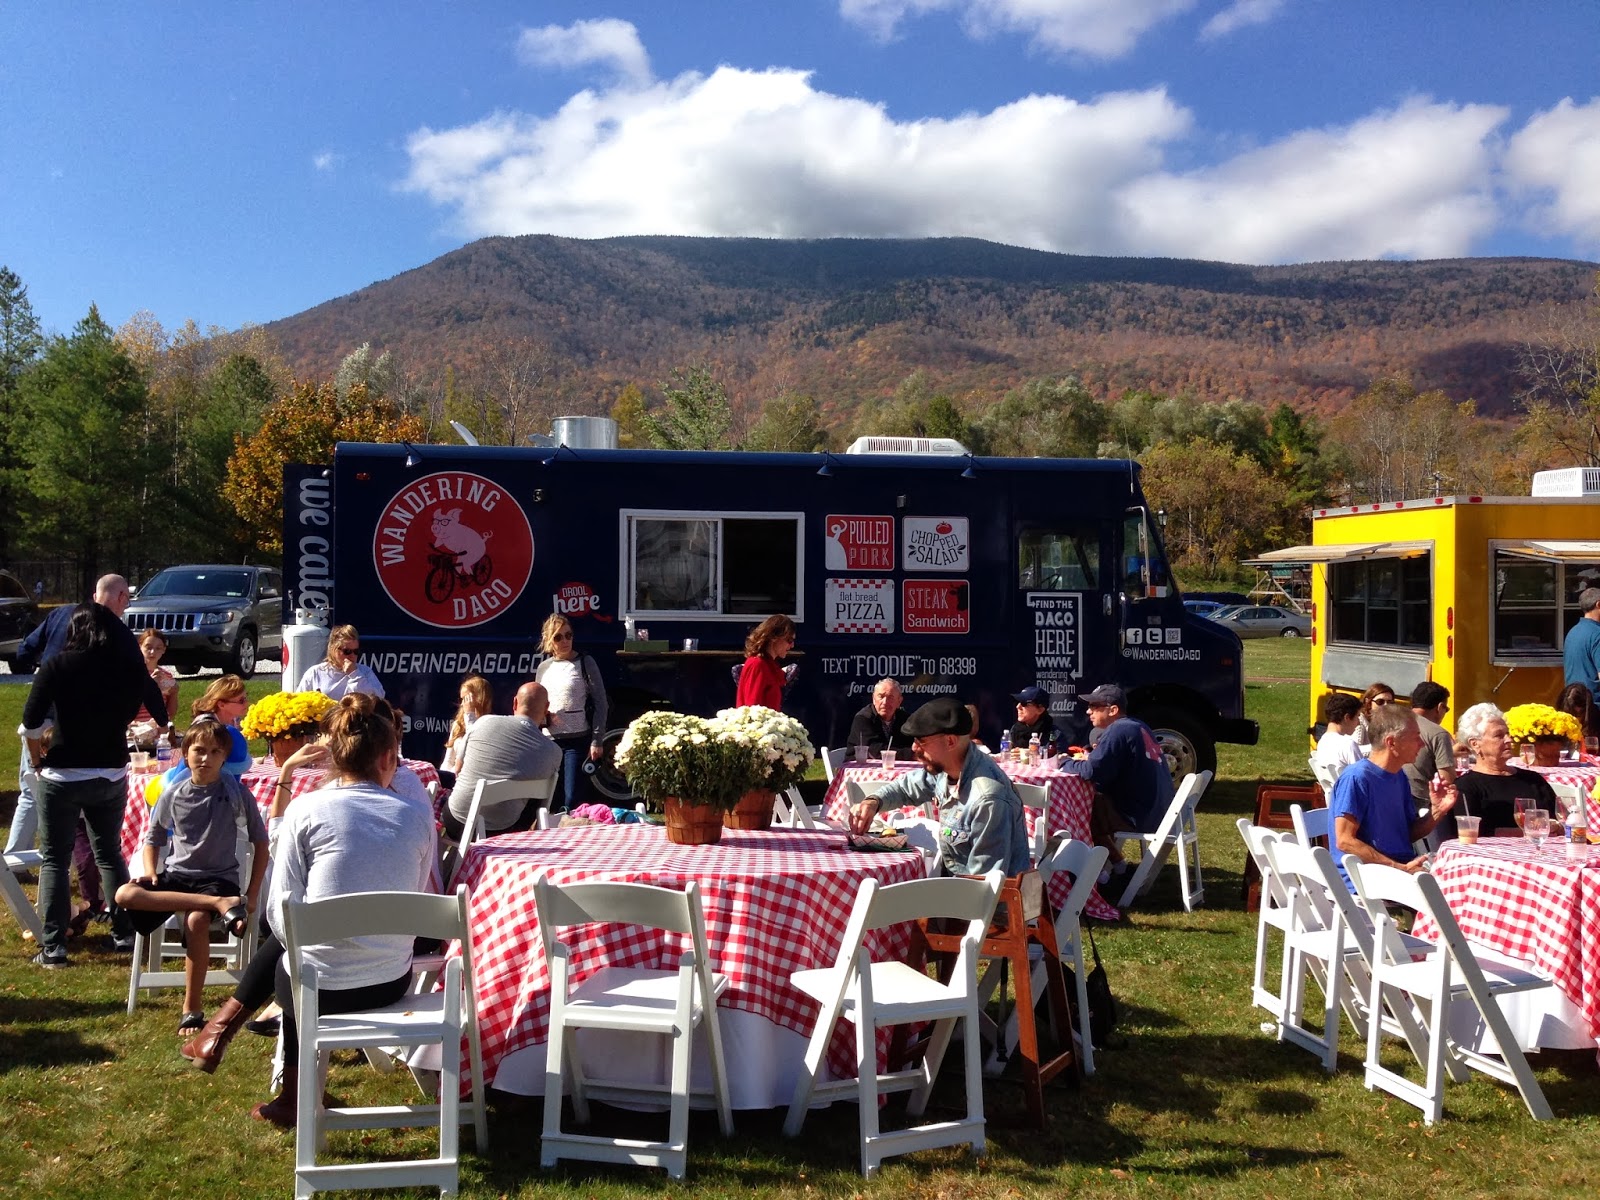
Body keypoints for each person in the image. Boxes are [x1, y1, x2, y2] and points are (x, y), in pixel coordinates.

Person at [239, 694, 436, 1126]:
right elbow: (416, 893)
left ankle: (293, 1095)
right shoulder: (416, 816)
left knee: (292, 968)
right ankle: (294, 1094)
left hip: (318, 988)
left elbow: (279, 913)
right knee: (298, 966)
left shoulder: (304, 810)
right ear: (389, 758)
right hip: (391, 980)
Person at [20, 603, 157, 966]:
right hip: (110, 769)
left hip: (64, 771)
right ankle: (124, 933)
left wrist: (37, 760)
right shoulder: (125, 667)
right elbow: (139, 710)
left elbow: (31, 721)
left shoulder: (57, 665)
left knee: (55, 858)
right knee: (109, 853)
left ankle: (54, 946)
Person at [113, 722, 269, 1034]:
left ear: (224, 757)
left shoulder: (237, 793)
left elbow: (261, 844)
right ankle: (220, 905)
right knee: (124, 895)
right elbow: (153, 838)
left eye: (215, 752)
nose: (205, 758)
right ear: (186, 754)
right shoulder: (173, 793)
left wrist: (252, 894)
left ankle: (191, 1009)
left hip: (219, 878)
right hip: (179, 876)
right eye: (199, 750)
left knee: (196, 921)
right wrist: (150, 871)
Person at [9, 574, 170, 858]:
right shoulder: (119, 632)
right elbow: (142, 682)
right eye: (127, 601)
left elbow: (26, 650)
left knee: (32, 790)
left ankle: (17, 856)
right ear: (121, 597)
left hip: (44, 715)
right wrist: (160, 720)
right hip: (91, 729)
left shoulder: (60, 615)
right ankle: (73, 857)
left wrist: (44, 668)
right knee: (97, 831)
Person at [846, 697, 1030, 877]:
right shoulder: (947, 767)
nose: (914, 748)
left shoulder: (988, 799)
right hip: (957, 888)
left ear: (950, 741)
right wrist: (873, 802)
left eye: (921, 741)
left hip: (981, 895)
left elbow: (985, 886)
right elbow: (905, 788)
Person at [1330, 702, 1456, 890]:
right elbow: (1345, 841)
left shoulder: (1398, 776)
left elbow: (1407, 834)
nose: (1422, 744)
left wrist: (1437, 811)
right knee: (1452, 895)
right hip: (1366, 880)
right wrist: (1399, 868)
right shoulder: (1357, 778)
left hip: (1397, 870)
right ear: (1392, 742)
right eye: (1416, 738)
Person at [1058, 684, 1173, 872]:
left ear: (1113, 710)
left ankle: (1092, 872)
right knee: (1094, 801)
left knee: (1078, 808)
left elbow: (1091, 772)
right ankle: (1112, 865)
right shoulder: (1137, 725)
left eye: (1094, 706)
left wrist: (1063, 762)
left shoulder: (1118, 730)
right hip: (1159, 811)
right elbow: (1106, 769)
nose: (1088, 711)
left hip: (1139, 816)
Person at [442, 681, 560, 840]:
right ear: (546, 708)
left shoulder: (483, 722)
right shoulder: (554, 752)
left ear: (515, 702)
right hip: (505, 832)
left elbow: (458, 769)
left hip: (458, 823)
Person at [535, 614, 610, 812]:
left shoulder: (585, 662)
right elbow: (538, 703)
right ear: (549, 640)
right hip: (549, 742)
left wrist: (597, 740)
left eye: (569, 635)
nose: (565, 641)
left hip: (576, 741)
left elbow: (601, 703)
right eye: (558, 637)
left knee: (571, 798)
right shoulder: (544, 667)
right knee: (550, 799)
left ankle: (572, 828)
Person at [1450, 702, 1559, 839]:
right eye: (1499, 735)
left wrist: (1556, 826)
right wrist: (1529, 832)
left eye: (1507, 734)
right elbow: (1472, 833)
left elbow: (1560, 817)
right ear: (1475, 744)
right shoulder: (1466, 787)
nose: (1509, 740)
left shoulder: (1533, 780)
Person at [1404, 682, 1457, 827]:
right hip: (1418, 802)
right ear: (1440, 707)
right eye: (1446, 709)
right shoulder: (1438, 733)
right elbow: (1446, 779)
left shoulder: (1392, 721)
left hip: (1385, 794)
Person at [296, 624, 384, 700]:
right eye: (347, 651)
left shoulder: (365, 671)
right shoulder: (316, 673)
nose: (352, 655)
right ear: (333, 649)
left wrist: (354, 674)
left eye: (356, 651)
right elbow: (299, 701)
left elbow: (378, 698)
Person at [188, 676, 253, 777]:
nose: (246, 703)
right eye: (241, 700)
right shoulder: (206, 727)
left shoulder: (235, 720)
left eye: (245, 698)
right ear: (222, 705)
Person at [128, 627, 180, 750]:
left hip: (160, 732)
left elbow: (169, 714)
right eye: (148, 647)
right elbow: (127, 706)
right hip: (136, 730)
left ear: (163, 650)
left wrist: (174, 693)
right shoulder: (131, 674)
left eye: (158, 648)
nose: (152, 652)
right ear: (140, 647)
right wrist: (149, 687)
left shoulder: (166, 676)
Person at [439, 674, 492, 787]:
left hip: (471, 782)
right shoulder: (458, 724)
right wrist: (443, 781)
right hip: (453, 780)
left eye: (466, 699)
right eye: (461, 699)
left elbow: (474, 745)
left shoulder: (490, 723)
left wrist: (470, 716)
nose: (462, 704)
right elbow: (448, 760)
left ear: (479, 698)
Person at [735, 614, 796, 711]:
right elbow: (752, 709)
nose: (792, 645)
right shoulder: (757, 664)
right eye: (789, 640)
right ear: (774, 637)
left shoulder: (769, 665)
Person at [845, 678, 909, 757]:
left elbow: (911, 743)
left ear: (899, 701)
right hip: (861, 763)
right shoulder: (863, 718)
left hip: (896, 763)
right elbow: (874, 750)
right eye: (881, 697)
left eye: (890, 697)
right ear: (873, 699)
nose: (885, 702)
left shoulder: (904, 719)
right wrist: (909, 754)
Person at [1313, 693, 1364, 779]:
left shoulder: (1322, 742)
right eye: (1357, 716)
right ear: (1347, 717)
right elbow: (1363, 778)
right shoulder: (1348, 744)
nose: (1358, 722)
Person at [1563, 589, 1600, 704]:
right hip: (1594, 706)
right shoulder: (1597, 634)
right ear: (1598, 604)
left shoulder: (1573, 632)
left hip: (1573, 704)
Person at [1007, 686, 1058, 754]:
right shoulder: (1015, 729)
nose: (1018, 707)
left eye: (1024, 703)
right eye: (1018, 702)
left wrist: (1026, 752)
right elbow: (1007, 753)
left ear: (1040, 710)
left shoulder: (1054, 733)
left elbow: (1058, 757)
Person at [1353, 681, 1397, 748]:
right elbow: (1354, 749)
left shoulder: (1390, 724)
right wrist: (1380, 748)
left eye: (1390, 703)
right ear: (1368, 702)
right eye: (1380, 702)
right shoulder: (1359, 722)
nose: (1385, 705)